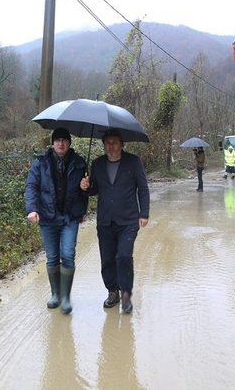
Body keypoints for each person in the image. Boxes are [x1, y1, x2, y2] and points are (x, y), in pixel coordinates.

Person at [80, 129, 149, 314]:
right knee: (107, 259)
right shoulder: (97, 164)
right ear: (104, 145)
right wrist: (85, 187)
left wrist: (144, 213)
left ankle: (126, 294)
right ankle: (112, 292)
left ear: (121, 144)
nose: (111, 146)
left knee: (124, 257)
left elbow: (142, 188)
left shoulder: (133, 162)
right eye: (107, 143)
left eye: (114, 142)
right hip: (105, 220)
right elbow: (94, 189)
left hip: (128, 220)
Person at [25, 127, 88, 314]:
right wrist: (32, 209)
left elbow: (84, 192)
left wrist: (85, 191)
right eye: (57, 140)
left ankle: (66, 297)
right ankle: (55, 294)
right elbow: (31, 186)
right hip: (47, 217)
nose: (61, 143)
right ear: (52, 143)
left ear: (69, 143)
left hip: (69, 218)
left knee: (67, 254)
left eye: (64, 140)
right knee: (52, 257)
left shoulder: (79, 163)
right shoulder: (40, 163)